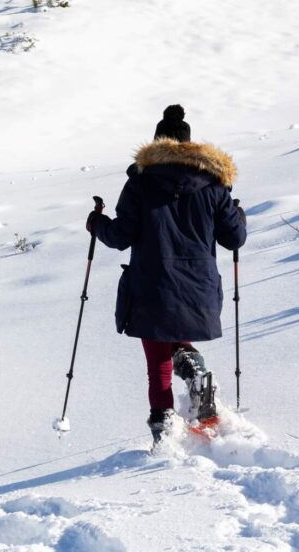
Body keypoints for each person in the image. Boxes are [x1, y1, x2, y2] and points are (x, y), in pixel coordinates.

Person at [88, 105, 247, 445]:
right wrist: (238, 216)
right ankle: (195, 371)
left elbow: (119, 237)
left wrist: (96, 223)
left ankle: (164, 435)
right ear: (189, 145)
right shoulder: (215, 186)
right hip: (199, 288)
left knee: (158, 363)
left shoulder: (140, 184)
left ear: (156, 143)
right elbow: (234, 239)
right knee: (176, 339)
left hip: (152, 286)